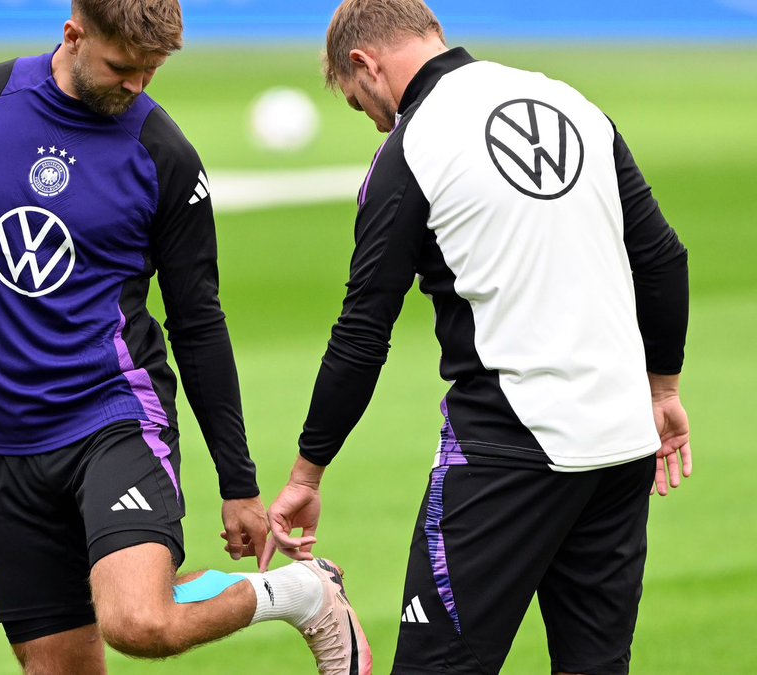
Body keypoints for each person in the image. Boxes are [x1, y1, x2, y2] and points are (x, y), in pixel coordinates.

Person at [0, 1, 370, 673]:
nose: (137, 85)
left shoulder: (162, 153)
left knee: (138, 621)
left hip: (115, 418)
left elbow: (198, 322)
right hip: (7, 441)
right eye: (123, 67)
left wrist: (238, 481)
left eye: (152, 70)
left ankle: (303, 591)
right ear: (73, 35)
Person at [262, 1, 691, 674]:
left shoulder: (411, 146)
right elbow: (664, 260)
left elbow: (362, 331)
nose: (374, 118)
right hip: (621, 443)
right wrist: (662, 388)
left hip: (508, 451)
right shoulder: (571, 104)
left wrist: (307, 470)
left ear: (363, 64)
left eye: (359, 103)